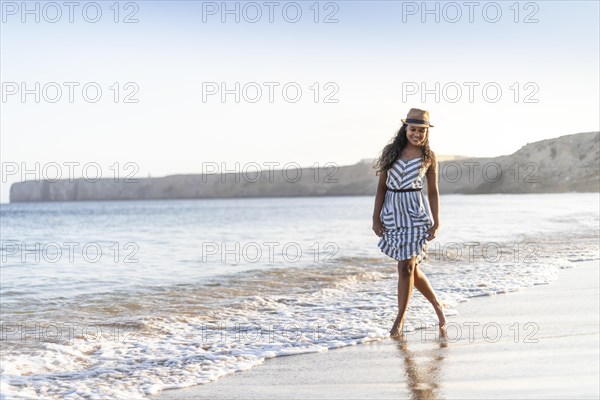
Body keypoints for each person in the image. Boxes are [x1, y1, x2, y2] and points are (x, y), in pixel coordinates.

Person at [372, 108, 446, 337]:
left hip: (415, 213)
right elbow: (382, 187)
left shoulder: (429, 156)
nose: (417, 134)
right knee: (409, 267)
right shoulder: (390, 152)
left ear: (426, 132)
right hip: (393, 212)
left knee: (405, 266)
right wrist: (375, 218)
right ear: (405, 128)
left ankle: (399, 322)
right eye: (413, 129)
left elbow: (433, 192)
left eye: (421, 131)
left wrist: (436, 221)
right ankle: (437, 305)